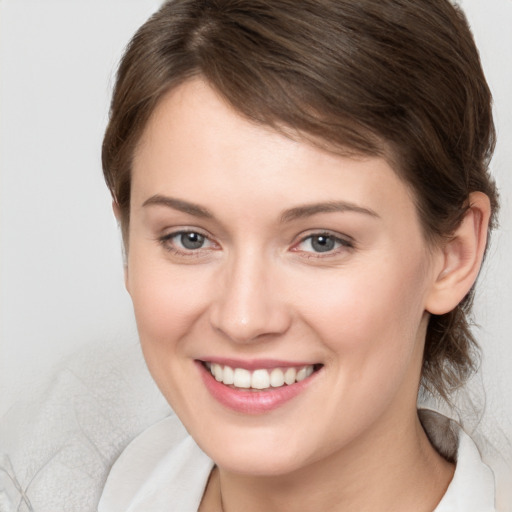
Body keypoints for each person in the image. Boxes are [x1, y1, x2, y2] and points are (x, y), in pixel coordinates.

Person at [97, 0, 501, 510]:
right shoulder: (60, 481)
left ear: (453, 255)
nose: (243, 319)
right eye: (189, 238)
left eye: (321, 242)